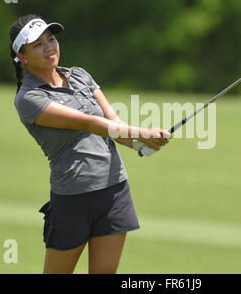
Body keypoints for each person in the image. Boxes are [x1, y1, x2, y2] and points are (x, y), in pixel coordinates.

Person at [9, 14, 170, 274]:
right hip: (72, 199)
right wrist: (142, 132)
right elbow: (87, 122)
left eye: (51, 39)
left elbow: (113, 122)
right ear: (23, 56)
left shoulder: (81, 75)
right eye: (38, 44)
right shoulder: (29, 98)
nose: (49, 47)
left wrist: (141, 144)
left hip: (114, 190)